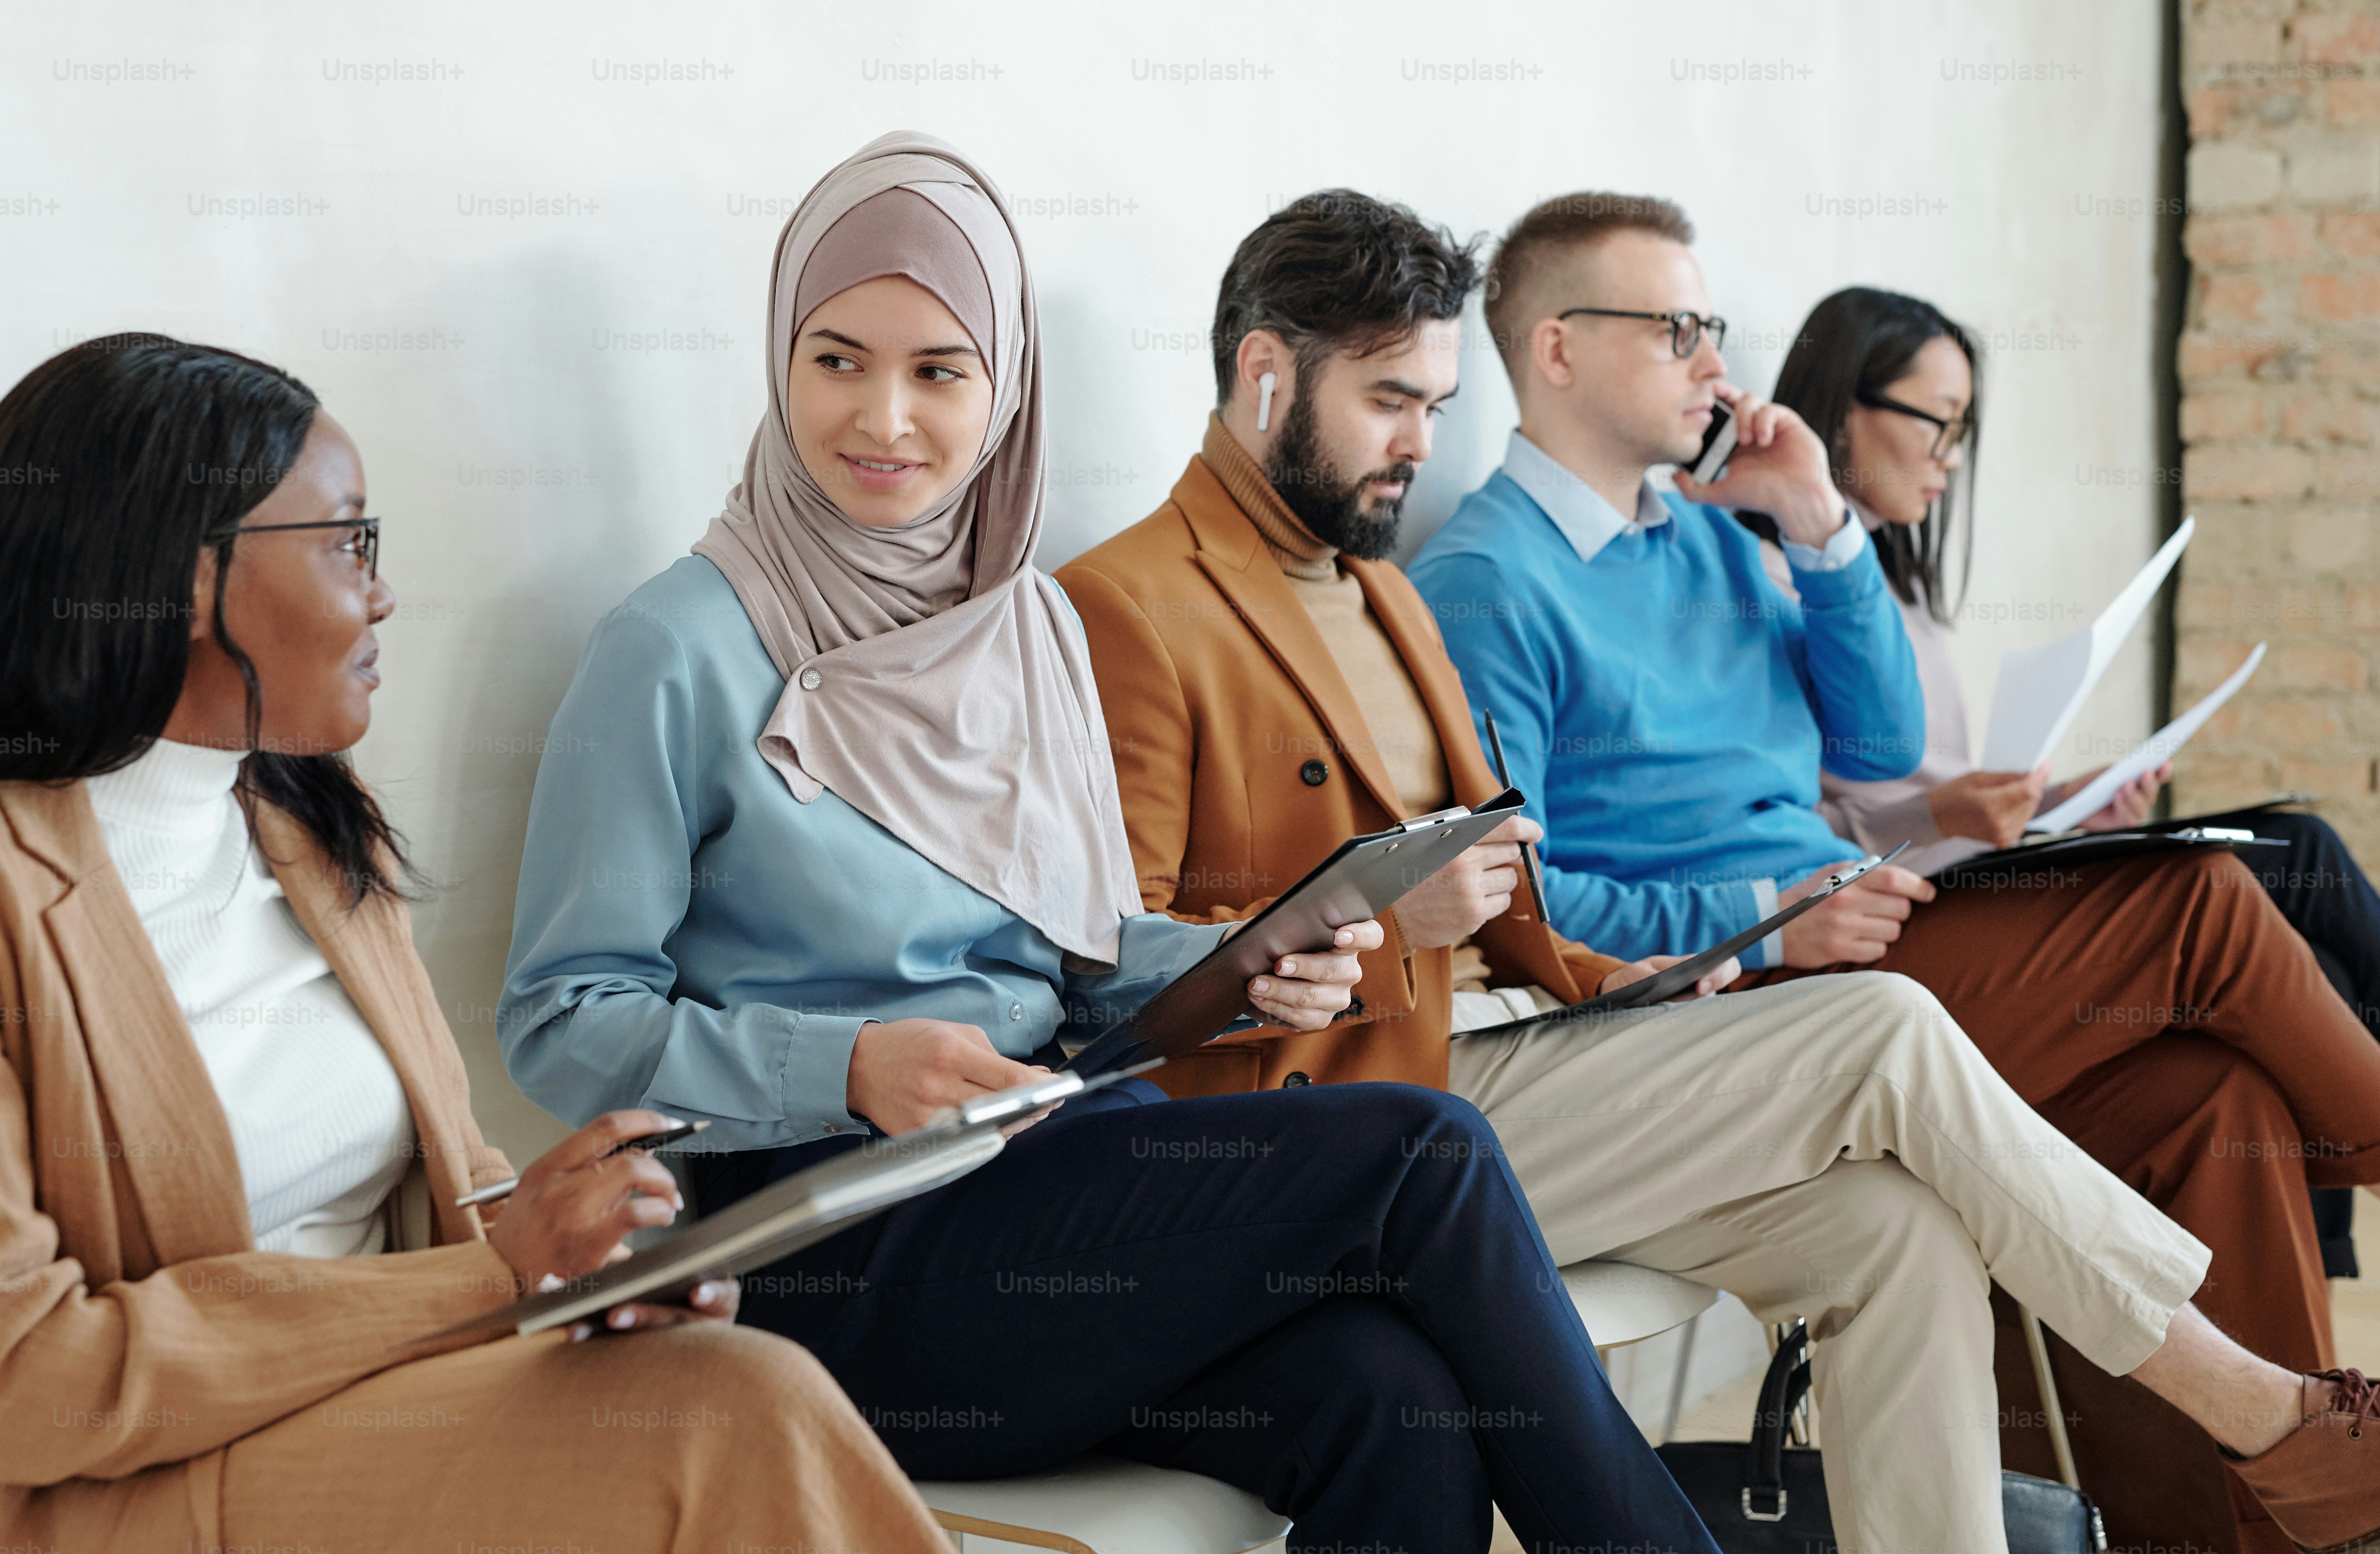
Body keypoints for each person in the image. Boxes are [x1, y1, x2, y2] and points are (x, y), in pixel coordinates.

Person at [1059, 187, 2380, 1554]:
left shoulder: (1387, 589)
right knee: (1928, 1009)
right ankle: (2271, 1415)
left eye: (1434, 400)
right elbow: (1127, 983)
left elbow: (1531, 892)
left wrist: (1649, 977)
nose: (1422, 443)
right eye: (1392, 402)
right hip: (1360, 1110)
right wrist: (1405, 919)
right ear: (1264, 373)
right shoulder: (1140, 603)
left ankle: (2251, 1478)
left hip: (1534, 1031)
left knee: (1900, 1229)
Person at [496, 131, 1728, 1554]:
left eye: (940, 371)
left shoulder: (1018, 627)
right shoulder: (675, 648)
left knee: (1391, 1400)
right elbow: (561, 1020)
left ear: (1004, 387)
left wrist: (1235, 965)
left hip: (1047, 1170)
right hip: (822, 1244)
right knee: (1425, 1154)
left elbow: (1070, 952)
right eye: (837, 359)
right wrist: (846, 1060)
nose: (882, 417)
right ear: (780, 359)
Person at [0, 335, 947, 1552]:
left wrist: (585, 1274)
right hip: (74, 1497)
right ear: (185, 576)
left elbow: (461, 1199)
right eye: (348, 542)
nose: (382, 591)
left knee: (708, 1377)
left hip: (362, 1414)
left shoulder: (303, 823)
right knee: (730, 1416)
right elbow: (2, 1380)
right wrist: (490, 1279)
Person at [1776, 282, 2380, 1282]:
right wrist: (1950, 811)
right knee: (2300, 857)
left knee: (2307, 940)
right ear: (1841, 409)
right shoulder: (1778, 584)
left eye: (1965, 429)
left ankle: (2315, 1285)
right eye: (1937, 423)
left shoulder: (1896, 586)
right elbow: (1808, 818)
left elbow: (1931, 792)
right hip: (1903, 910)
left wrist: (2066, 801)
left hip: (1978, 872)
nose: (1951, 456)